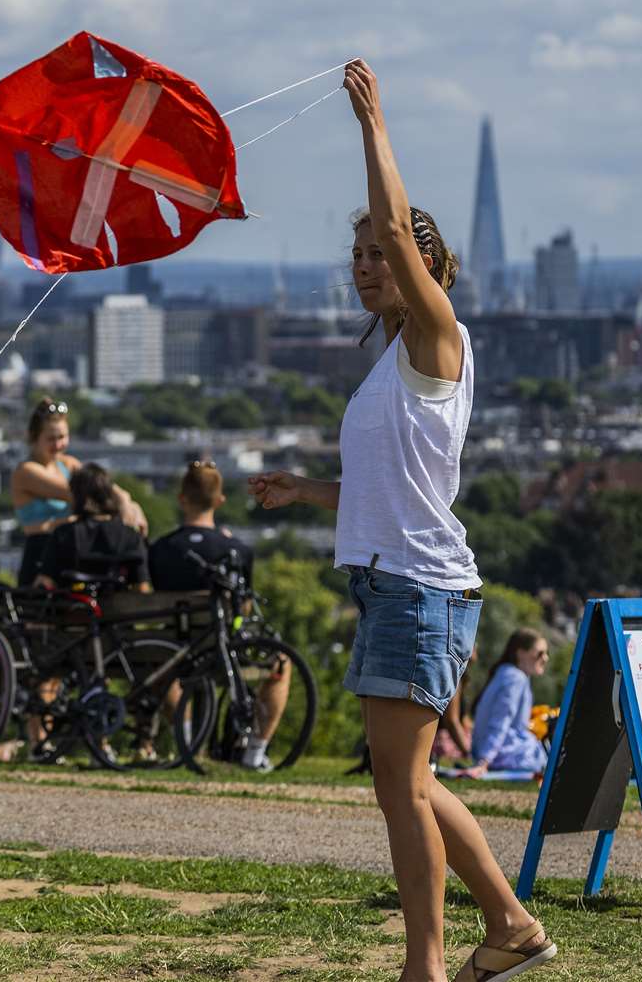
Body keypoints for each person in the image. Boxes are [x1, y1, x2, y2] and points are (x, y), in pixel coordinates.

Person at [248, 61, 555, 982]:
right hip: (400, 584)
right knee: (408, 786)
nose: (365, 265)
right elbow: (390, 491)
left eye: (379, 256)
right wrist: (306, 493)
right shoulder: (390, 365)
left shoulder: (436, 337)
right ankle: (508, 926)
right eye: (357, 259)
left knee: (399, 792)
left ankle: (424, 966)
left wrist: (373, 126)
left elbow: (392, 220)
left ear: (420, 268)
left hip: (420, 592)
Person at [149, 460, 288, 772]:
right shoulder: (236, 549)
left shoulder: (159, 549)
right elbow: (246, 607)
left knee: (162, 670)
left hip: (172, 649)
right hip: (222, 651)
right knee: (282, 664)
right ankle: (254, 753)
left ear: (181, 498)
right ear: (220, 500)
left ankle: (187, 743)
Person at [10, 398, 147, 588]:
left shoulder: (68, 464)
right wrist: (122, 502)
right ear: (34, 437)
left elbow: (104, 487)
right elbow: (87, 492)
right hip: (40, 555)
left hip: (69, 555)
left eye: (63, 437)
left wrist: (128, 502)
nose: (58, 444)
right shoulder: (26, 471)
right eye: (51, 438)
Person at [34, 463, 150, 592]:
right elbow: (142, 588)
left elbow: (45, 582)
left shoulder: (63, 534)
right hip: (119, 610)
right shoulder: (131, 536)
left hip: (74, 608)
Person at [463, 629, 549, 778]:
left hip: (491, 750)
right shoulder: (516, 678)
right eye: (540, 653)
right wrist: (484, 761)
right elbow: (501, 720)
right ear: (520, 653)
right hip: (502, 755)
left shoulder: (505, 673)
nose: (546, 658)